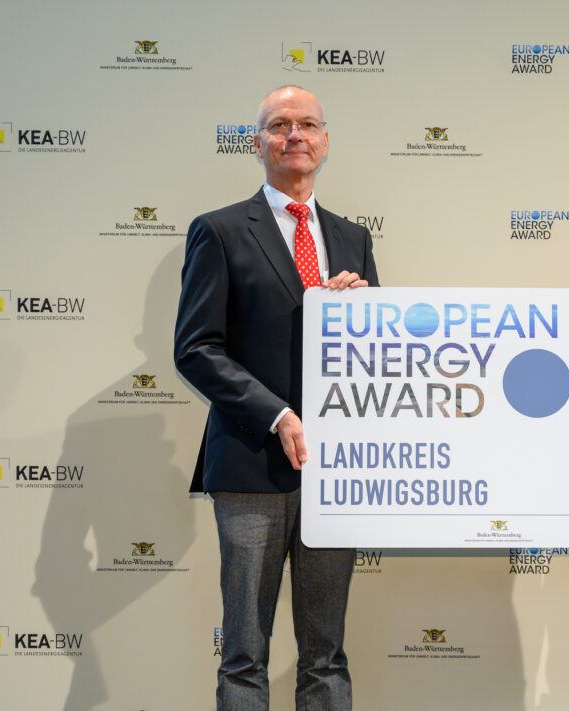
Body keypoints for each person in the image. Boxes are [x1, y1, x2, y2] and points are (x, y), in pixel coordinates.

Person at [175, 85, 379, 710]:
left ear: (325, 141)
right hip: (249, 467)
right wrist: (278, 414)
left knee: (326, 656)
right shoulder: (219, 231)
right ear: (257, 142)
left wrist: (364, 313)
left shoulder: (353, 238)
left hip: (335, 472)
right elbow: (196, 348)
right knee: (243, 657)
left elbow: (380, 356)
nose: (295, 135)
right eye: (279, 125)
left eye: (308, 124)